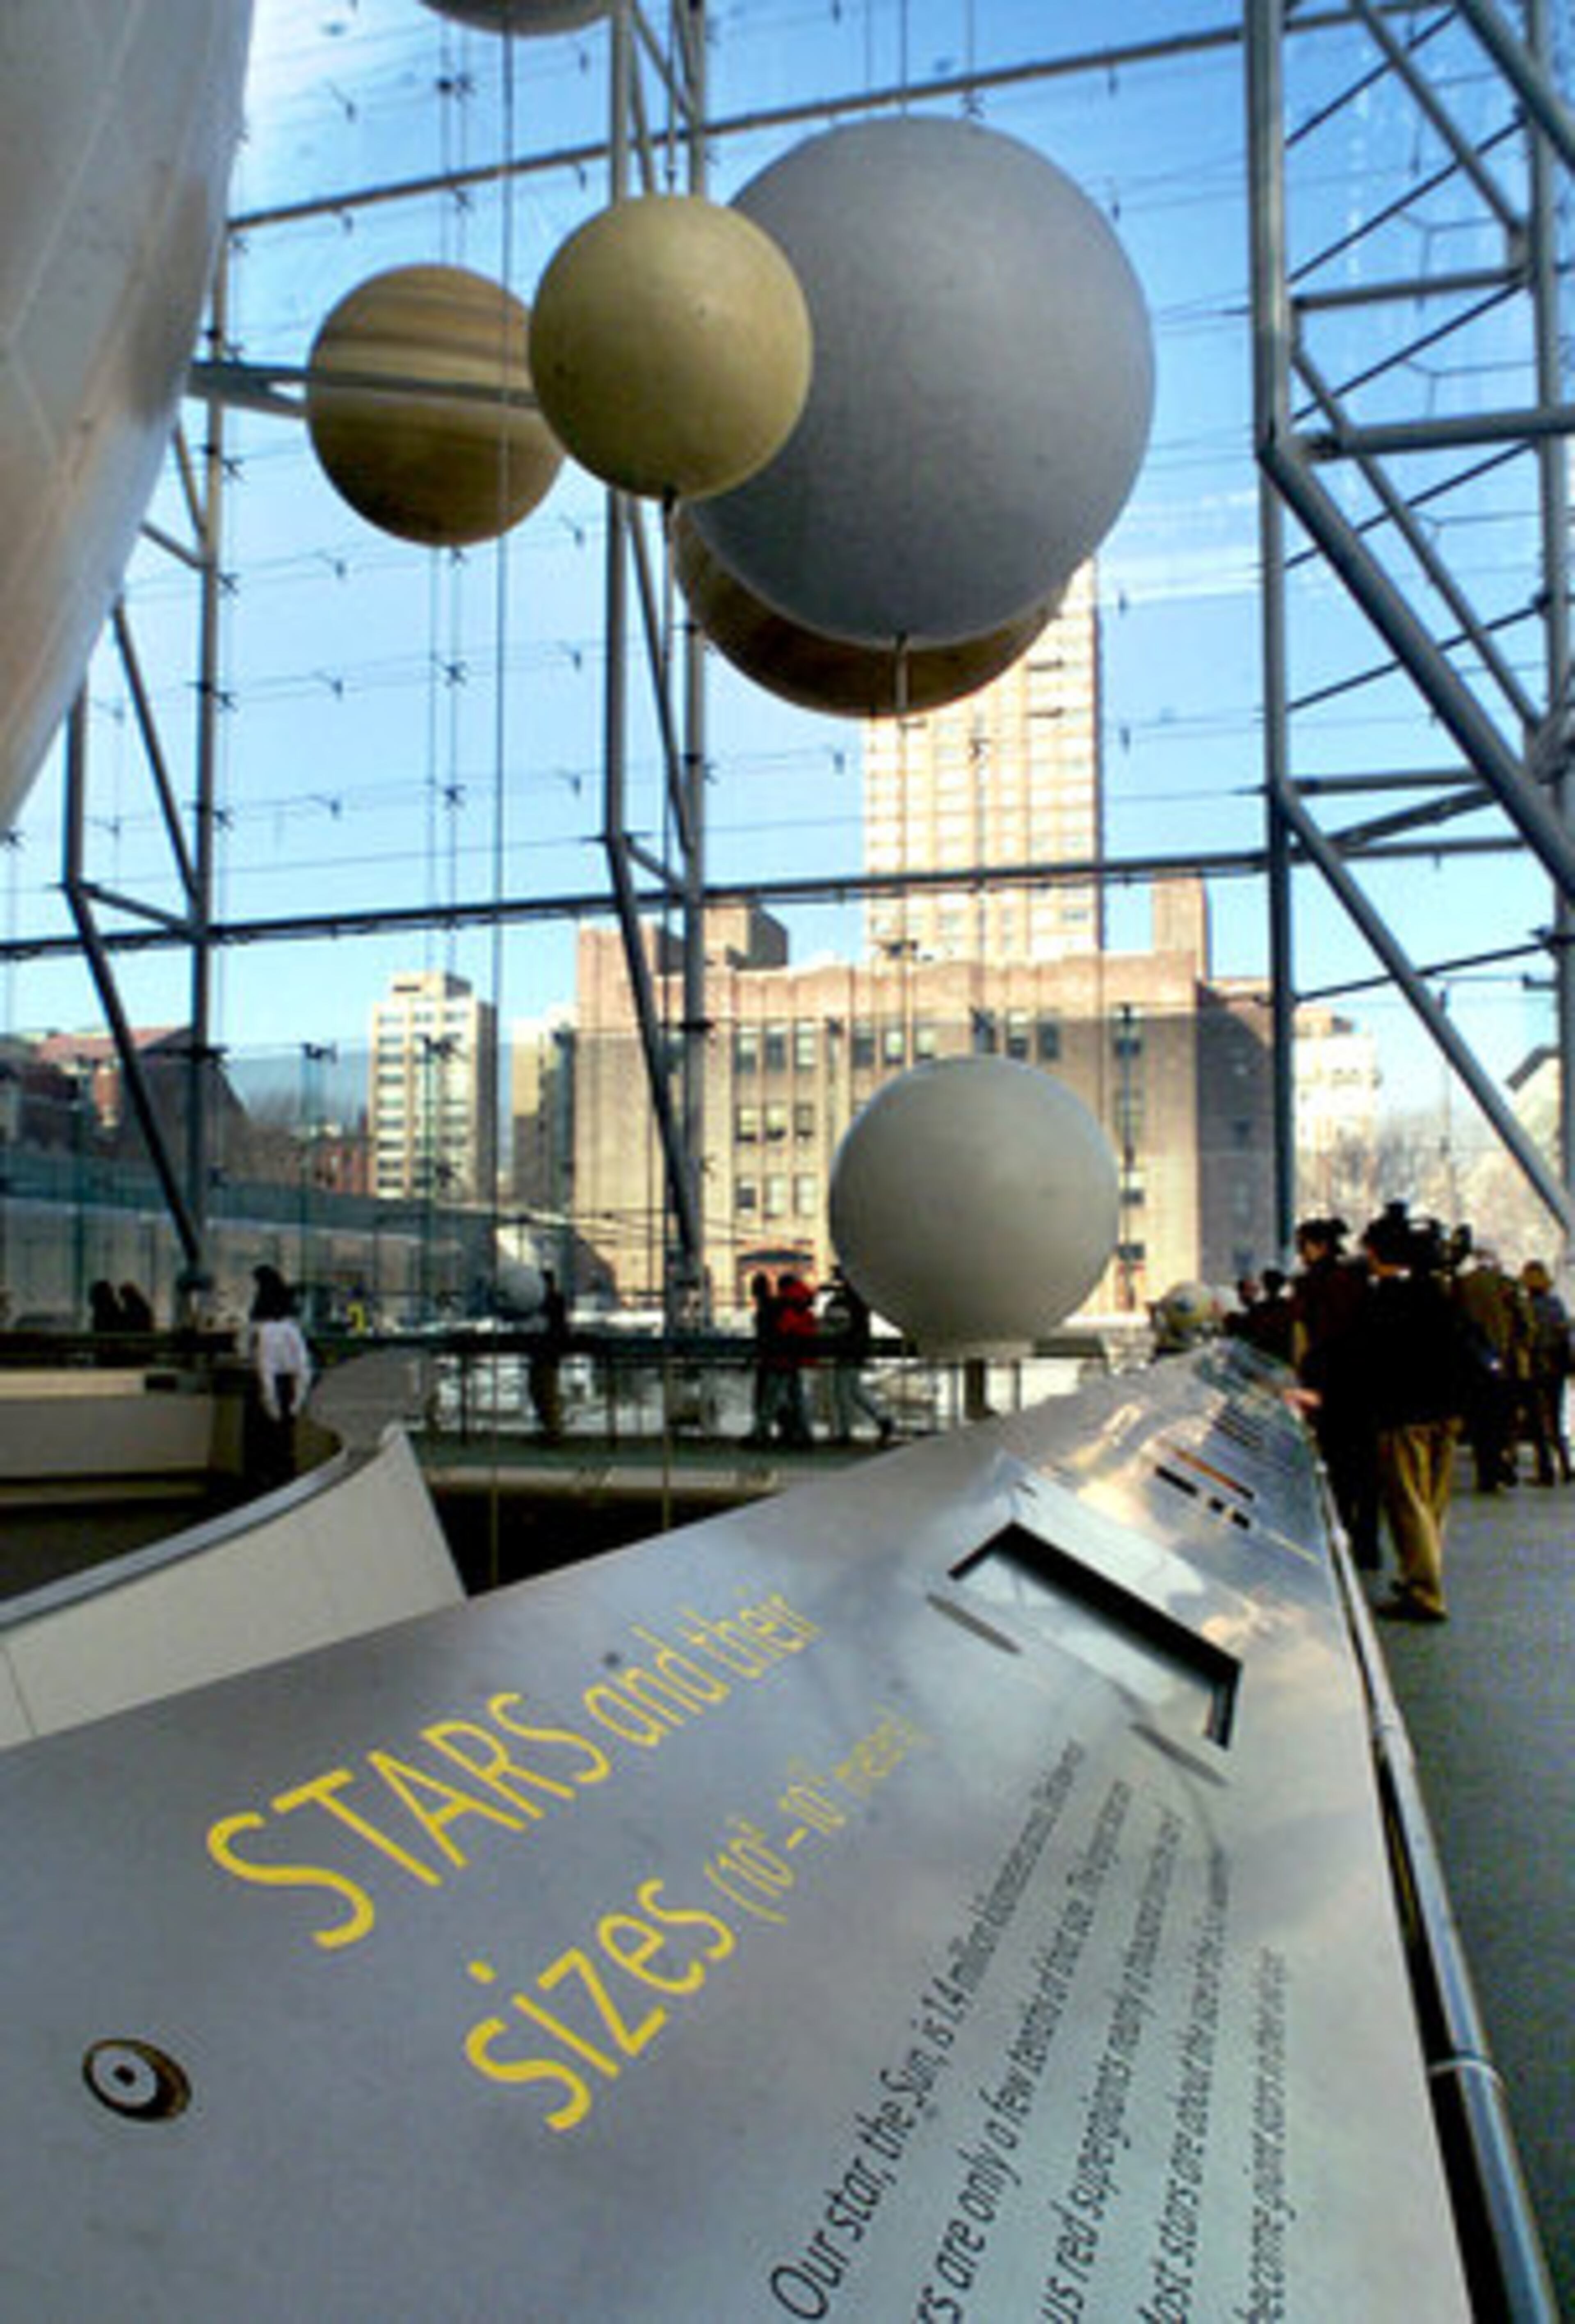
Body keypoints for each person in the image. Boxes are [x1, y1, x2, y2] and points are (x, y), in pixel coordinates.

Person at [1351, 1208, 1472, 1623]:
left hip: (1403, 1413)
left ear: (1378, 1253)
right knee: (1433, 1503)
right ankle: (1422, 1575)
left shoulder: (1384, 1299)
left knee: (1407, 1503)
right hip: (1445, 1410)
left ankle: (1425, 1591)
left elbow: (1369, 1359)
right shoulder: (1437, 1293)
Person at [1291, 1217, 1380, 1569]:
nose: (1302, 1253)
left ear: (1318, 1246)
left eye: (1304, 1245)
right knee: (1366, 1469)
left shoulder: (1313, 1285)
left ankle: (1343, 1538)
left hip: (1329, 1387)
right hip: (1363, 1386)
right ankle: (1368, 1543)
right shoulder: (1357, 1281)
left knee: (1341, 1469)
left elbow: (1310, 1336)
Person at [249, 1265, 313, 1488]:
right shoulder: (292, 1330)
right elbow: (304, 1368)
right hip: (290, 1387)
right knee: (286, 1442)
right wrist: (298, 1401)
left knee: (267, 1443)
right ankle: (286, 1482)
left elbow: (265, 1369)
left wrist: (270, 1403)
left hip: (275, 1388)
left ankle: (269, 1483)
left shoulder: (265, 1331)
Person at [822, 1267, 895, 1446]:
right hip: (857, 1349)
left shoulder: (846, 1301)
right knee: (853, 1389)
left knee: (843, 1391)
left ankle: (845, 1433)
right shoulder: (860, 1298)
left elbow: (838, 1324)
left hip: (847, 1349)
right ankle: (881, 1418)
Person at [1519, 1259, 1572, 1486]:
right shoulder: (1556, 1304)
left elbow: (1524, 1337)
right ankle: (1566, 1466)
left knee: (1538, 1422)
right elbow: (1564, 1334)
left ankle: (1546, 1470)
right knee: (1556, 1416)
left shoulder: (1526, 1306)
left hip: (1535, 1366)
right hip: (1556, 1365)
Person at [527, 1267, 568, 1441]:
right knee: (543, 1389)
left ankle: (552, 1429)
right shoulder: (555, 1301)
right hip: (548, 1352)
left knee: (544, 1390)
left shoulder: (549, 1302)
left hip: (546, 1352)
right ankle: (551, 1427)